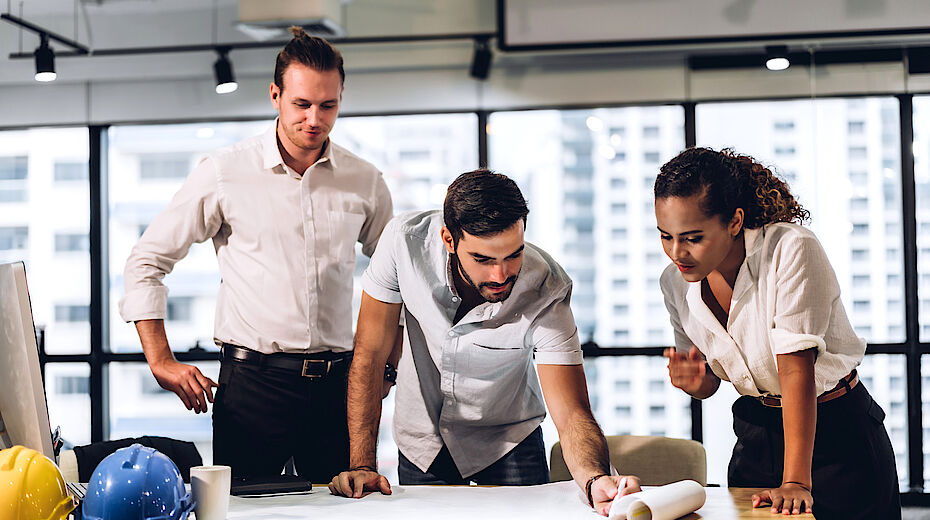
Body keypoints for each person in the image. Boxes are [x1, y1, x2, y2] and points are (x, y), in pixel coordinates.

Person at [118, 27, 395, 482]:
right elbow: (146, 260)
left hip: (337, 387)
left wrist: (388, 365)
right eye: (301, 104)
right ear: (275, 95)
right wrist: (161, 361)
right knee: (244, 511)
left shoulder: (364, 180)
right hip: (253, 385)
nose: (315, 119)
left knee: (346, 509)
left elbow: (396, 278)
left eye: (328, 106)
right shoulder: (225, 172)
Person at [327, 169, 640, 516]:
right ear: (449, 239)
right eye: (483, 259)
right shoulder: (403, 242)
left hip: (509, 441)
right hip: (422, 441)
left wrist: (595, 480)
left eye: (513, 255)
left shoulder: (547, 287)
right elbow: (370, 354)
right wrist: (363, 465)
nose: (500, 275)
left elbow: (571, 413)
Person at [655, 147, 900, 518]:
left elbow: (795, 370)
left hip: (835, 433)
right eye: (665, 236)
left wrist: (797, 482)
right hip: (756, 432)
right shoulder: (674, 283)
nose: (677, 252)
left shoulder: (790, 248)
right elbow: (709, 383)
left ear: (734, 222)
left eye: (692, 237)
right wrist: (696, 380)